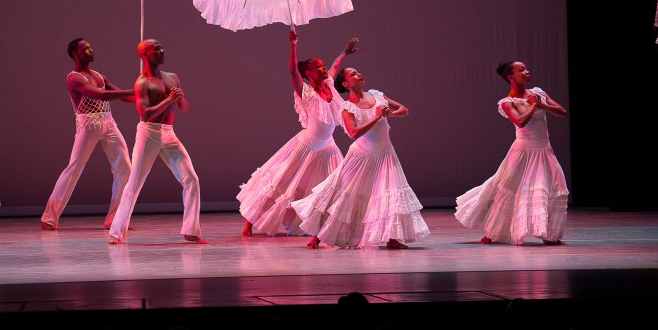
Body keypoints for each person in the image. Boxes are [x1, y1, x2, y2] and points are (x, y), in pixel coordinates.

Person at [291, 66, 430, 249]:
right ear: (346, 83)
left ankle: (393, 238)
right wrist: (378, 117)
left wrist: (391, 114)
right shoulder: (348, 108)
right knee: (341, 194)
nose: (359, 74)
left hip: (386, 153)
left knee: (390, 192)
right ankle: (319, 235)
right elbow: (354, 133)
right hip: (361, 156)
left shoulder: (377, 95)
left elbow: (404, 109)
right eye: (354, 74)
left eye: (358, 72)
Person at [237, 29, 358, 237]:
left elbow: (335, 67)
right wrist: (293, 46)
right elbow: (293, 72)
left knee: (336, 185)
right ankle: (250, 220)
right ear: (309, 73)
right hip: (305, 147)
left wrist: (344, 52)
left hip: (327, 148)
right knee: (280, 181)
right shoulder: (306, 92)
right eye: (317, 66)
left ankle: (330, 226)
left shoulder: (329, 84)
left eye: (322, 64)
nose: (322, 67)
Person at [454, 61, 569, 245]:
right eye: (521, 69)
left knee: (553, 187)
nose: (527, 71)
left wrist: (542, 105)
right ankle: (492, 232)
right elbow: (520, 122)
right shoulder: (507, 102)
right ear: (511, 76)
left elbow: (562, 112)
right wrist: (533, 106)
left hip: (544, 151)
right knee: (507, 188)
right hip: (522, 151)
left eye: (526, 68)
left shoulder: (538, 93)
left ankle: (549, 234)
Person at [108, 39, 206, 244]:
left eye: (162, 47)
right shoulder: (142, 82)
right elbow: (146, 114)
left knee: (191, 179)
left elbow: (184, 109)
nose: (162, 51)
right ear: (145, 55)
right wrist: (169, 99)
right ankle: (117, 232)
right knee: (134, 182)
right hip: (149, 133)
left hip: (169, 133)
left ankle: (191, 230)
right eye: (157, 49)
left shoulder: (172, 78)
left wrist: (180, 99)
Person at [41, 38, 134, 231]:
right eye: (86, 48)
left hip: (108, 122)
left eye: (91, 47)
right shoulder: (74, 78)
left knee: (125, 166)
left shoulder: (99, 75)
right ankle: (49, 217)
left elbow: (121, 95)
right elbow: (100, 95)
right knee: (74, 169)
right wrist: (135, 90)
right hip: (88, 125)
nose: (92, 50)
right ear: (76, 54)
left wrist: (143, 96)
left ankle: (114, 219)